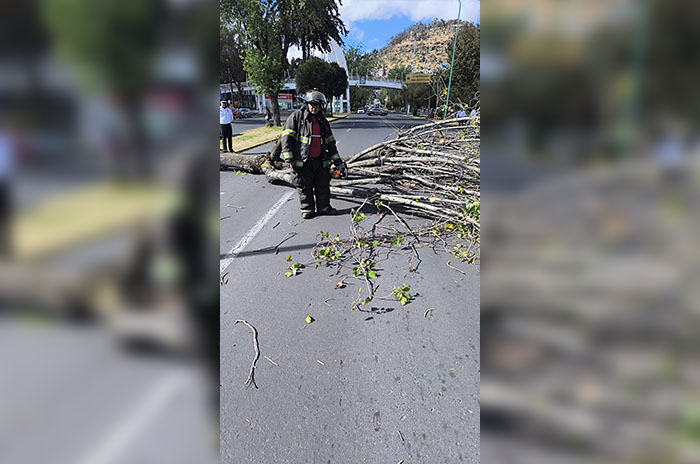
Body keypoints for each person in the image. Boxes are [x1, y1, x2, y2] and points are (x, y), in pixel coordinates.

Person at [281, 90, 346, 219]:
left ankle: (324, 207)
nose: (314, 107)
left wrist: (338, 161)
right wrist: (288, 158)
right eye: (311, 104)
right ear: (306, 104)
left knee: (322, 185)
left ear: (321, 106)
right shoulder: (296, 118)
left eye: (316, 105)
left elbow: (330, 143)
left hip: (320, 160)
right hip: (303, 161)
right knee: (305, 186)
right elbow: (286, 138)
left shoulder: (323, 121)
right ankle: (307, 209)